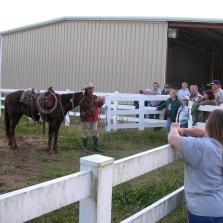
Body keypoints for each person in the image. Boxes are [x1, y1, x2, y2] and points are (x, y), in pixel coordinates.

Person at [168, 109, 223, 223]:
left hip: (204, 212)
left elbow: (173, 140)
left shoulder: (202, 147)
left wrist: (174, 128)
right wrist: (182, 129)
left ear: (210, 124)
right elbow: (202, 132)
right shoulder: (218, 144)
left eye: (208, 119)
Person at [80, 82, 104, 152]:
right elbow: (84, 106)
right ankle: (84, 147)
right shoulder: (84, 98)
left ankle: (96, 147)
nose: (92, 89)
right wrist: (94, 101)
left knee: (95, 132)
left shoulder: (95, 96)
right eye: (90, 88)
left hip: (94, 118)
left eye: (92, 88)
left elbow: (99, 105)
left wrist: (101, 101)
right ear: (87, 89)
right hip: (87, 118)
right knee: (85, 133)